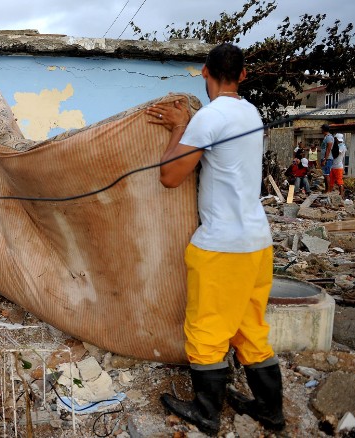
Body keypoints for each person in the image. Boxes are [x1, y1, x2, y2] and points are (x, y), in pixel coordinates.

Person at [146, 43, 285, 435]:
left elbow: (170, 177)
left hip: (221, 246)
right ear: (243, 75)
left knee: (206, 330)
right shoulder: (250, 112)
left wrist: (178, 126)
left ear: (205, 71)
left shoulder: (208, 118)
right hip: (258, 242)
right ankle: (270, 411)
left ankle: (207, 412)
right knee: (250, 329)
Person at [320, 124, 334, 192]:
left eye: (322, 129)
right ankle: (326, 189)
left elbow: (328, 149)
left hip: (327, 159)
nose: (321, 130)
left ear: (324, 129)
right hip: (324, 158)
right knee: (325, 175)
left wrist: (325, 159)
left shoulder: (329, 137)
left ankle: (328, 190)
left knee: (327, 175)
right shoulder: (325, 137)